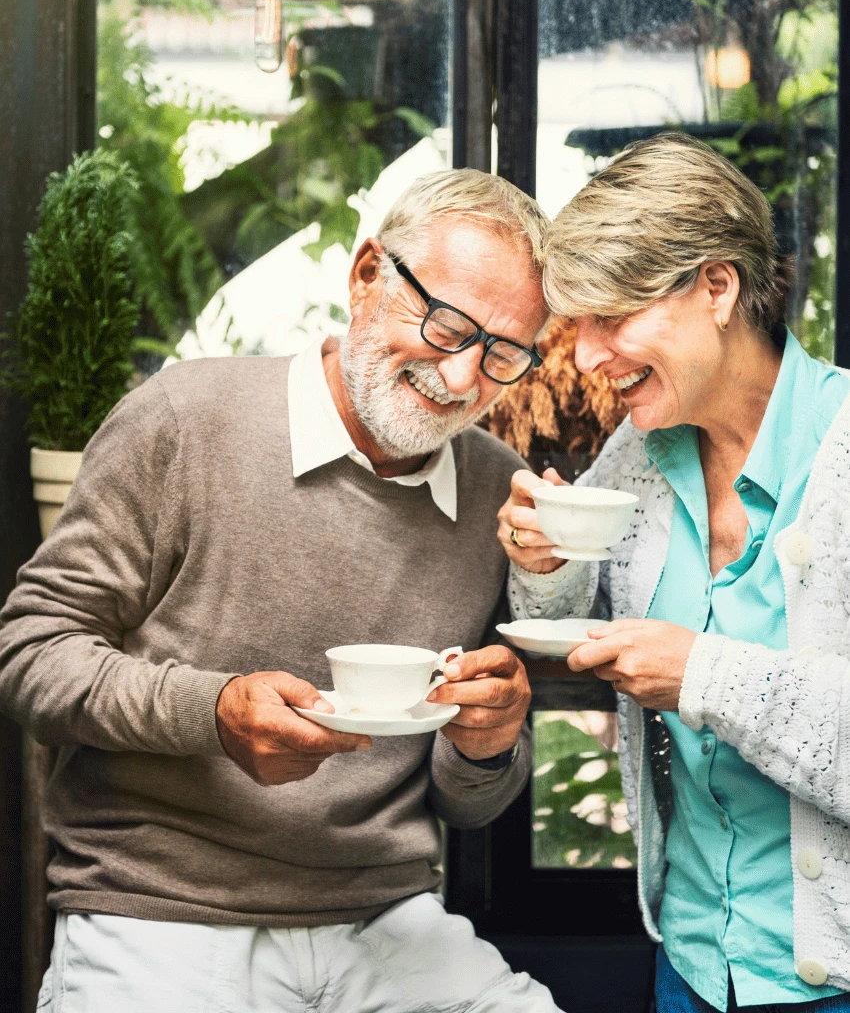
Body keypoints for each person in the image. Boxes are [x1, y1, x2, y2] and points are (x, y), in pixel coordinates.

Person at [0, 168, 563, 1013]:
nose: (461, 379)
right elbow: (33, 657)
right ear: (367, 275)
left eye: (503, 353)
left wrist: (488, 743)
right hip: (161, 911)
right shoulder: (184, 419)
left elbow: (464, 804)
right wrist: (215, 711)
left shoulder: (496, 490)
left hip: (386, 917)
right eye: (447, 326)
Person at [498, 133, 850, 1013]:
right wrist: (546, 564)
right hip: (694, 962)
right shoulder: (638, 457)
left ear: (718, 287)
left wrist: (703, 675)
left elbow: (687, 668)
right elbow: (582, 615)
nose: (582, 357)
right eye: (576, 324)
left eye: (610, 319)